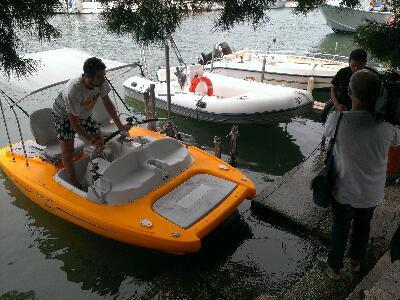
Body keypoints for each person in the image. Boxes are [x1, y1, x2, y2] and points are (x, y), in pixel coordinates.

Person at [323, 69, 400, 280]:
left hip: (342, 192)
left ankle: (334, 268)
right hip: (370, 194)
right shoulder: (386, 128)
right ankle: (356, 261)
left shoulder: (336, 120)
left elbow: (327, 134)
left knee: (339, 228)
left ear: (349, 92)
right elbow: (397, 139)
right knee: (362, 227)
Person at [53, 57, 130, 188]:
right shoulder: (73, 90)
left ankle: (98, 169)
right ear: (87, 76)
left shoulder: (100, 82)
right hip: (64, 116)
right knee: (67, 150)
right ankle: (75, 183)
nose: (103, 79)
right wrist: (91, 141)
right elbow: (74, 124)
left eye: (104, 75)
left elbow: (108, 103)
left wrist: (120, 126)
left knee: (100, 139)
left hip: (84, 113)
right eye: (100, 77)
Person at [320, 49, 377, 123]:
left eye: (359, 66)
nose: (356, 69)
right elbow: (333, 88)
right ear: (349, 62)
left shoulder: (369, 76)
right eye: (353, 66)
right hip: (342, 105)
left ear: (364, 64)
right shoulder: (343, 72)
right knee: (326, 115)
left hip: (362, 110)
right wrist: (337, 104)